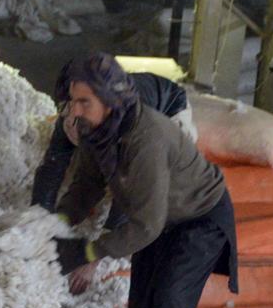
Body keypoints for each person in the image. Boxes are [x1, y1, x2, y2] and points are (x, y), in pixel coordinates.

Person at [49, 54, 237, 308]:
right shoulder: (96, 132)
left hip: (198, 218)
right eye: (73, 101)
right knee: (141, 300)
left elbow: (146, 225)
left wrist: (88, 253)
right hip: (160, 218)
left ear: (110, 100)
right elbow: (86, 186)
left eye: (85, 102)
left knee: (169, 301)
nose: (75, 110)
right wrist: (54, 224)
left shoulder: (144, 137)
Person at [31, 69, 189, 213]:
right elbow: (52, 166)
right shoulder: (68, 120)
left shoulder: (128, 123)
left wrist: (110, 231)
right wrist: (40, 213)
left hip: (171, 106)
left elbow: (128, 185)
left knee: (155, 181)